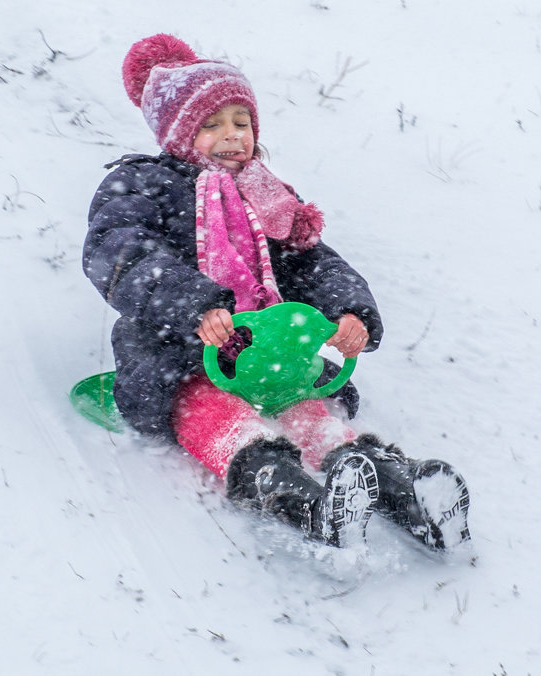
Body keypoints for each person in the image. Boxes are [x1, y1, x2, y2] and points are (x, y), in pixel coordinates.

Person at [83, 34, 470, 550]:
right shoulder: (145, 182)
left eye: (241, 123)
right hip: (183, 351)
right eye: (212, 125)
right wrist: (193, 303)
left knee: (311, 417)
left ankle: (404, 492)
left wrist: (349, 311)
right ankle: (305, 504)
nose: (232, 136)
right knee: (224, 419)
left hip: (271, 351)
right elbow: (117, 248)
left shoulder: (266, 196)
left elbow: (312, 261)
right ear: (177, 132)